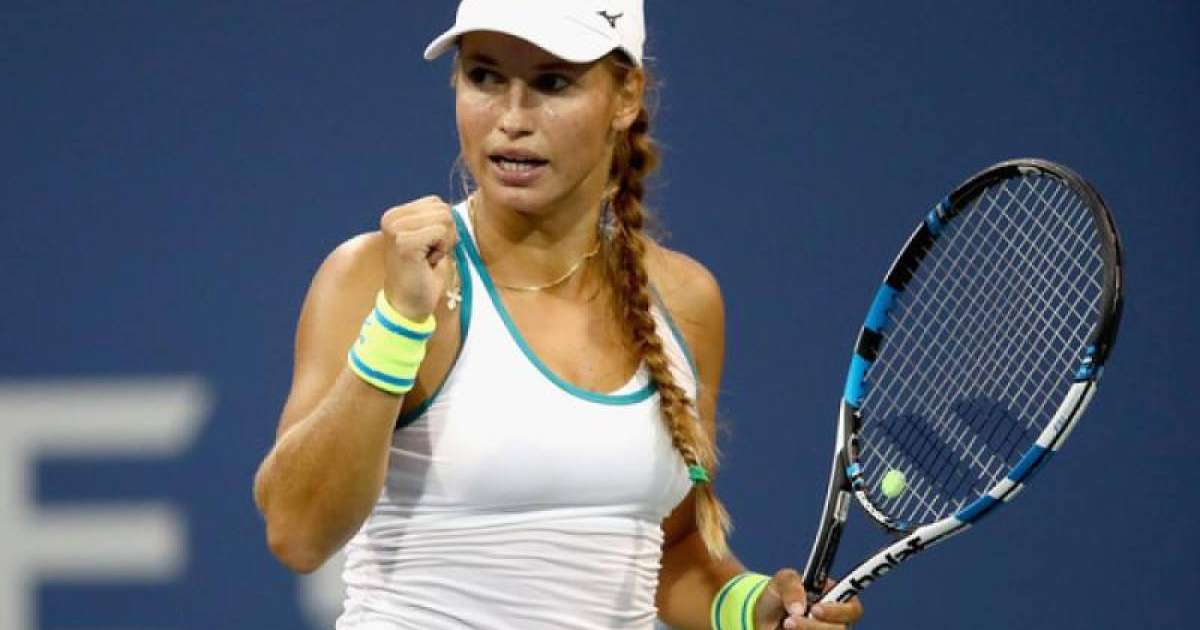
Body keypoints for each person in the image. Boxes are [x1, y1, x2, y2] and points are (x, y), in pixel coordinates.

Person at [252, 1, 865, 628]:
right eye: (484, 76)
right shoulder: (378, 274)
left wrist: (754, 609)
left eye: (552, 83)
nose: (512, 119)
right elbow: (297, 534)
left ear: (626, 97)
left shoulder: (685, 298)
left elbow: (671, 552)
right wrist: (400, 323)